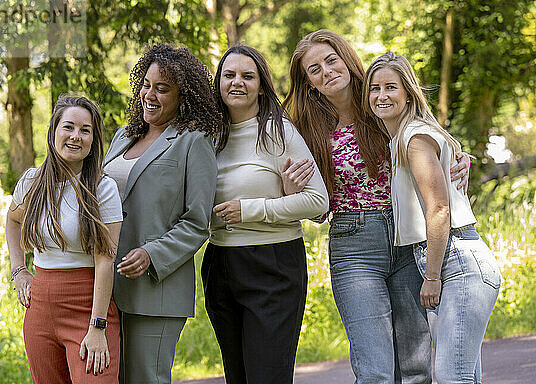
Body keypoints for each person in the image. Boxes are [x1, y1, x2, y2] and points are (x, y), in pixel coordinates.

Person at [283, 29, 471, 384]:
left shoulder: (381, 101)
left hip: (407, 237)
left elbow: (428, 141)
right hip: (353, 245)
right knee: (375, 371)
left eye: (331, 60)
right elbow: (317, 211)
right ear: (308, 82)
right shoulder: (305, 129)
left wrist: (461, 158)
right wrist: (293, 190)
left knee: (416, 368)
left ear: (347, 60)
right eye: (314, 69)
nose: (326, 71)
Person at [363, 52, 501, 383]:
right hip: (450, 258)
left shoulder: (414, 138)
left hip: (456, 262)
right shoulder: (409, 135)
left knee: (452, 375)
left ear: (408, 92)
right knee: (463, 375)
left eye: (391, 87)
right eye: (375, 88)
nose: (382, 96)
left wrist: (432, 275)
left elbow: (439, 208)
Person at [201, 44, 329, 384]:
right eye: (229, 75)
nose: (237, 82)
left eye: (248, 75)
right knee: (238, 377)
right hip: (220, 266)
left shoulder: (280, 132)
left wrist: (250, 210)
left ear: (261, 85)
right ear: (218, 83)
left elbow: (318, 201)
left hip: (273, 266)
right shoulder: (207, 138)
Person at [103, 44, 221, 384]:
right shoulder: (122, 137)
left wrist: (152, 254)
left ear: (182, 96)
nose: (149, 94)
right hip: (106, 285)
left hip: (155, 289)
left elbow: (198, 221)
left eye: (162, 88)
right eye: (146, 84)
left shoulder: (193, 141)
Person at [6, 95, 123, 383]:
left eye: (85, 130)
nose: (76, 136)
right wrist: (19, 270)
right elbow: (12, 219)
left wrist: (97, 327)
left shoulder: (102, 188)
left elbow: (106, 261)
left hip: (89, 306)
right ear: (53, 131)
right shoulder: (32, 182)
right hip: (41, 309)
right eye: (68, 127)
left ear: (93, 140)